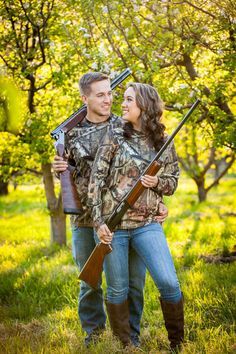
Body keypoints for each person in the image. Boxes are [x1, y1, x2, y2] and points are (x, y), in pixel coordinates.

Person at [52, 73, 168, 347]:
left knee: (133, 282)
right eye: (101, 94)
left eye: (110, 93)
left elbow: (147, 169)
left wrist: (160, 202)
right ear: (85, 99)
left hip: (123, 219)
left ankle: (131, 337)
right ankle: (94, 335)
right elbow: (68, 172)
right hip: (84, 219)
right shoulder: (70, 134)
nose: (109, 99)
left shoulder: (126, 126)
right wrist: (59, 171)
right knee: (89, 281)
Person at [88, 82, 184, 351]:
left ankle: (178, 342)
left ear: (144, 105)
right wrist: (99, 223)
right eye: (124, 99)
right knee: (118, 290)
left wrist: (156, 183)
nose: (123, 104)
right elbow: (96, 181)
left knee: (168, 282)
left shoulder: (163, 142)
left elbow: (173, 182)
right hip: (114, 227)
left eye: (129, 100)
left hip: (147, 224)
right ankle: (127, 344)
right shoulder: (114, 136)